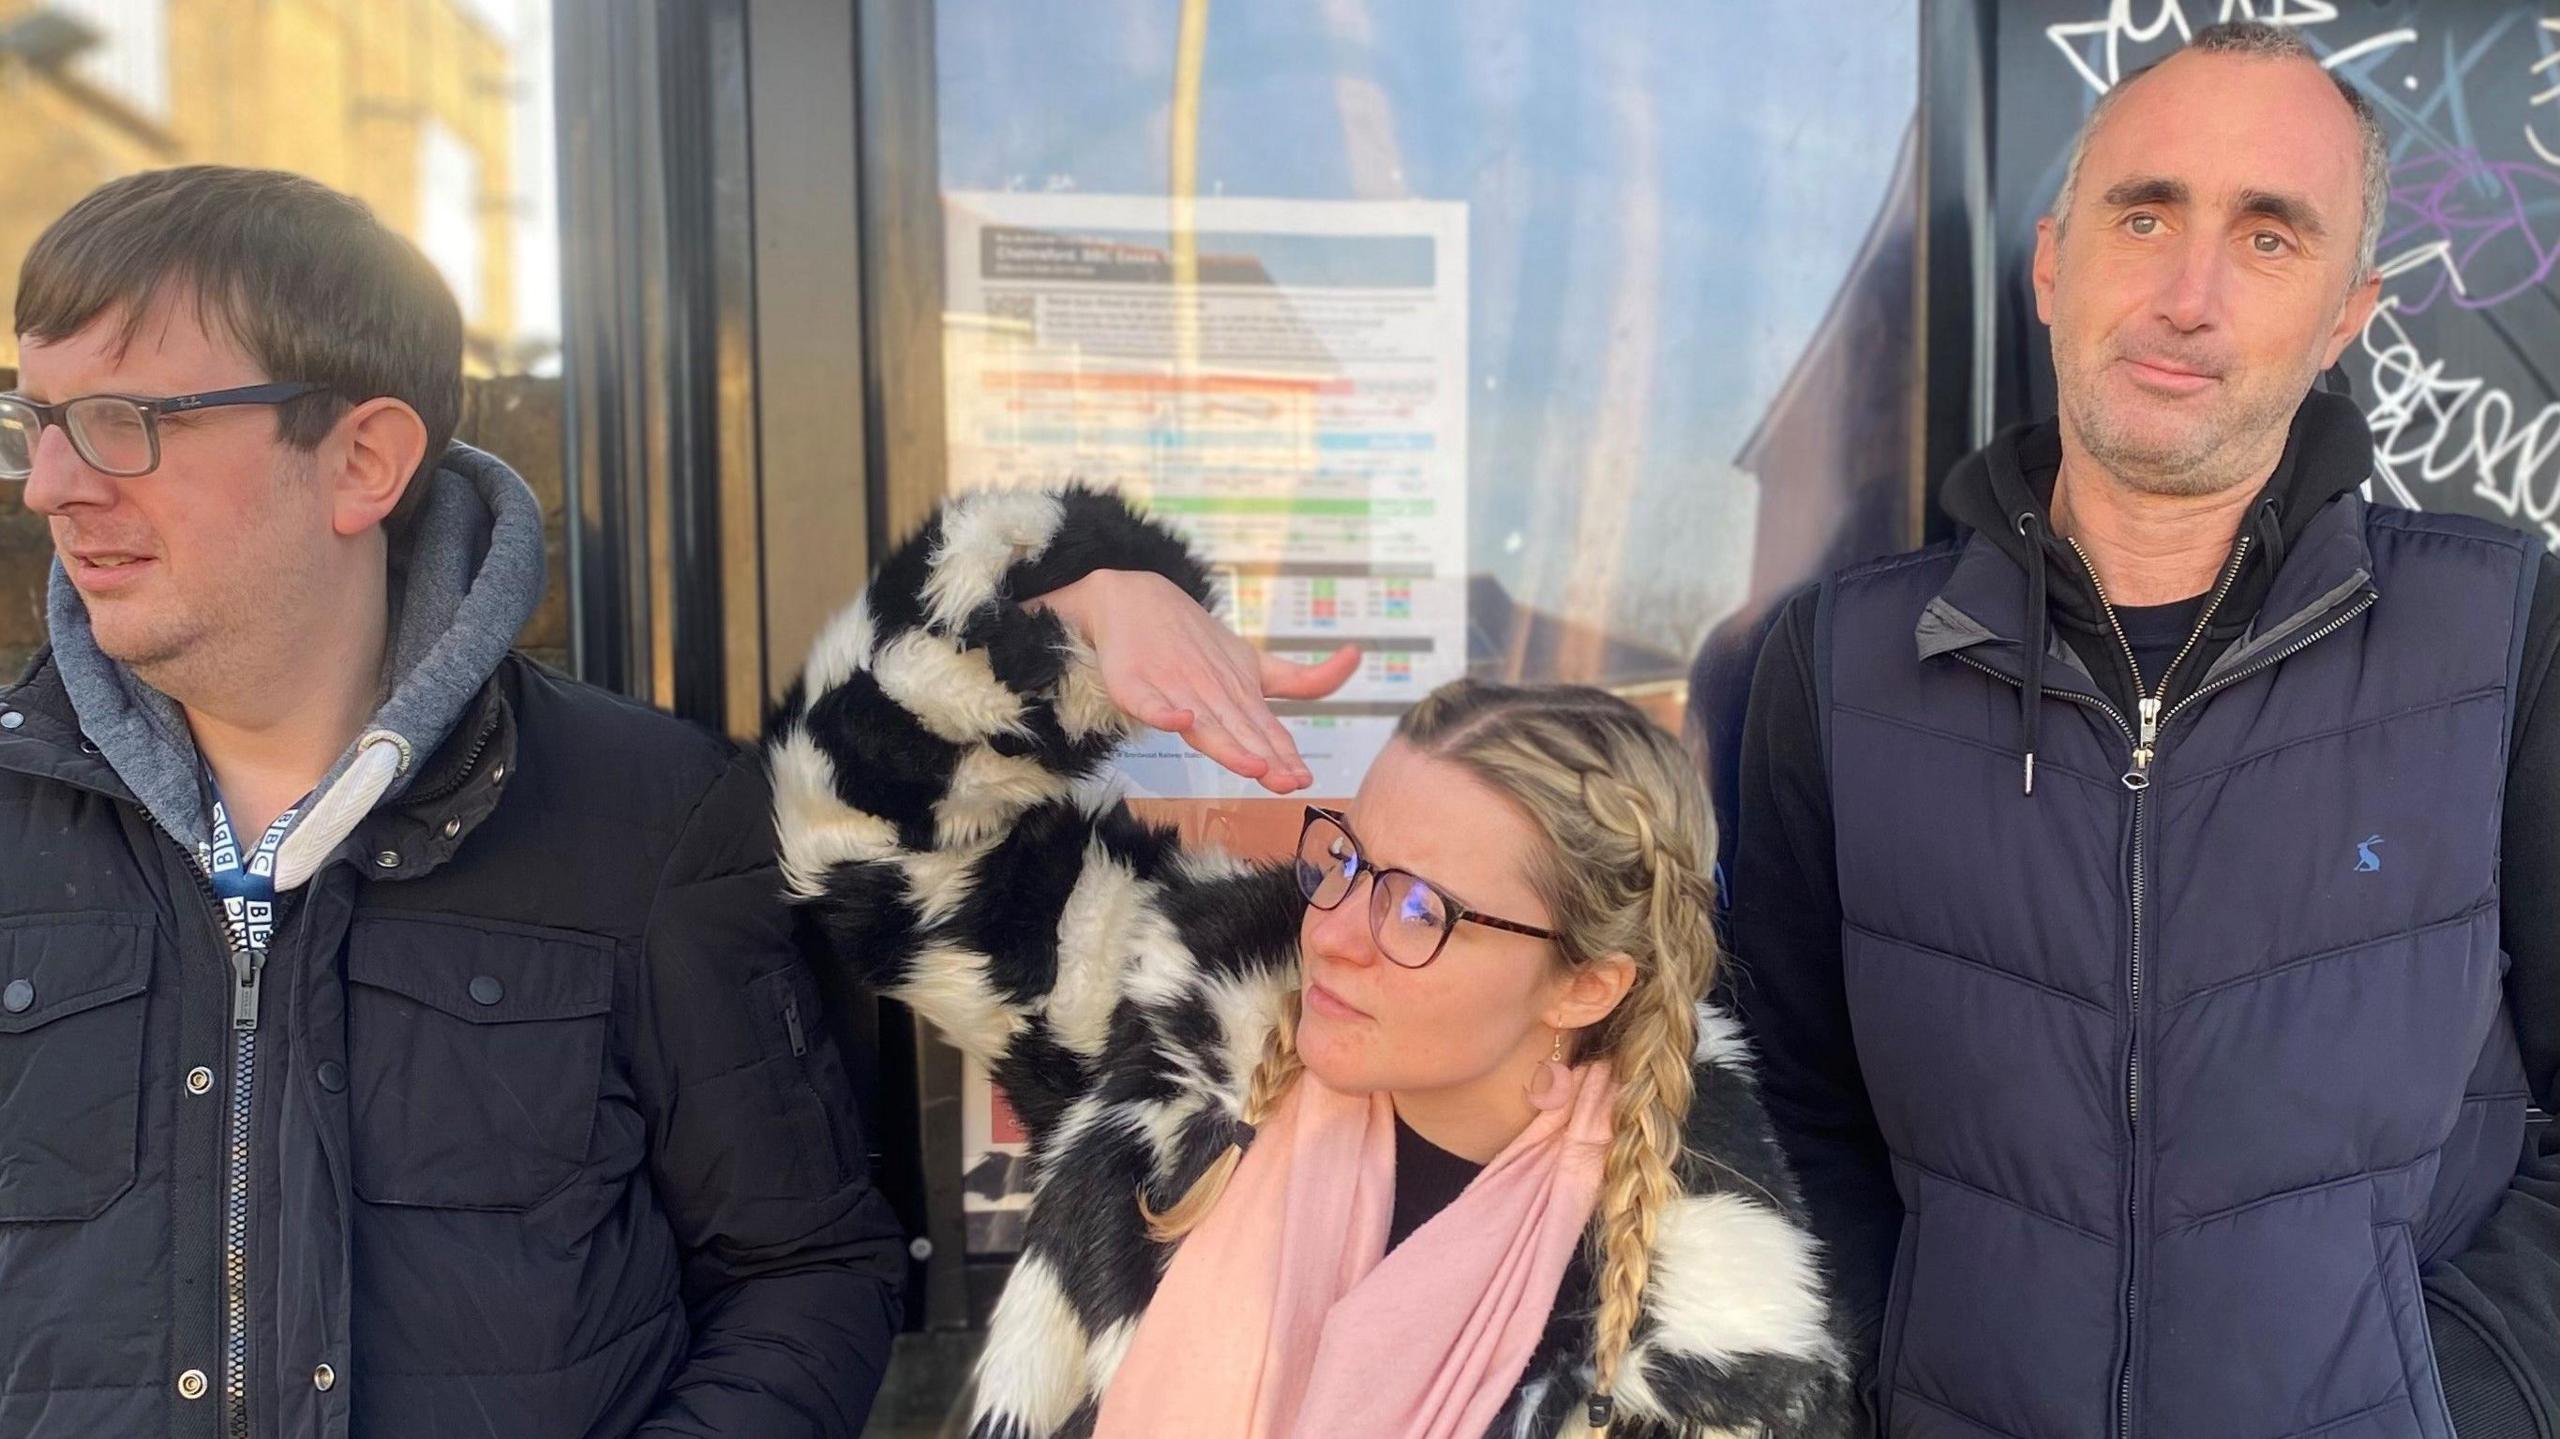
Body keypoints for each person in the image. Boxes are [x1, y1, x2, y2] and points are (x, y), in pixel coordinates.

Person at [1729, 22, 2560, 1439]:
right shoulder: (1841, 667)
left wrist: (2459, 1397)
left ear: (2347, 313)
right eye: (2145, 213)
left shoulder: (2506, 641)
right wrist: (1876, 1379)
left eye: (2269, 238)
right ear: (2054, 264)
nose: (2189, 293)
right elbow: (1788, 1102)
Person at [0, 166, 905, 1436]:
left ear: (361, 459)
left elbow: (803, 1274)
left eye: (118, 422)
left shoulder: (648, 818)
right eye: (35, 419)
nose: (51, 485)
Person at [766, 485, 1856, 1438]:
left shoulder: (1704, 1347)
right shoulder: (1193, 1027)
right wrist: (1075, 617)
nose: (1329, 928)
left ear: (1585, 984)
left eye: (1419, 906)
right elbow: (852, 836)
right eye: (1349, 854)